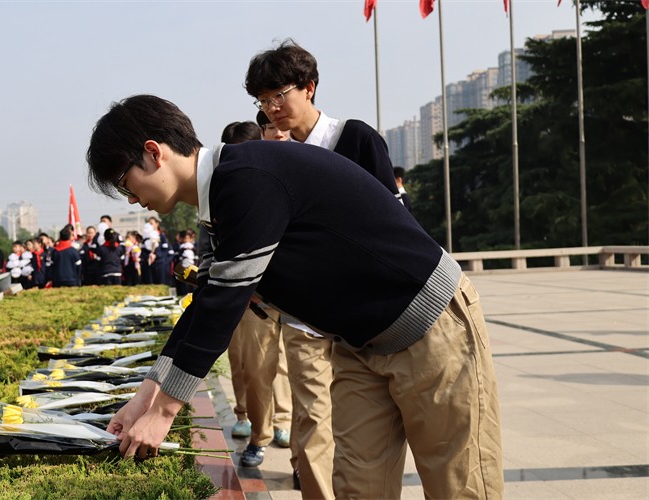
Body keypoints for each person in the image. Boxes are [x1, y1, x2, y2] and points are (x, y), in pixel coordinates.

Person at [86, 95, 503, 499]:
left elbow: (224, 305)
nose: (132, 199)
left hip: (429, 328)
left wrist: (164, 413)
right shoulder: (222, 200)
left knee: (457, 486)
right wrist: (144, 398)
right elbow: (207, 301)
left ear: (153, 153)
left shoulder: (247, 178)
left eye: (125, 183)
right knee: (359, 489)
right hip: (360, 348)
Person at [246, 39, 411, 497]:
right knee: (315, 420)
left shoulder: (354, 139)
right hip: (309, 320)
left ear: (309, 87)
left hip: (373, 319)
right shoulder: (275, 160)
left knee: (391, 441)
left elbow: (396, 227)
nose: (272, 108)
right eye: (263, 101)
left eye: (280, 95)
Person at [219, 121, 293, 467]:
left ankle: (286, 427)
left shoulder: (290, 173)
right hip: (253, 298)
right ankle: (257, 431)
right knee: (254, 368)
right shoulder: (226, 194)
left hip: (295, 297)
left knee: (290, 371)